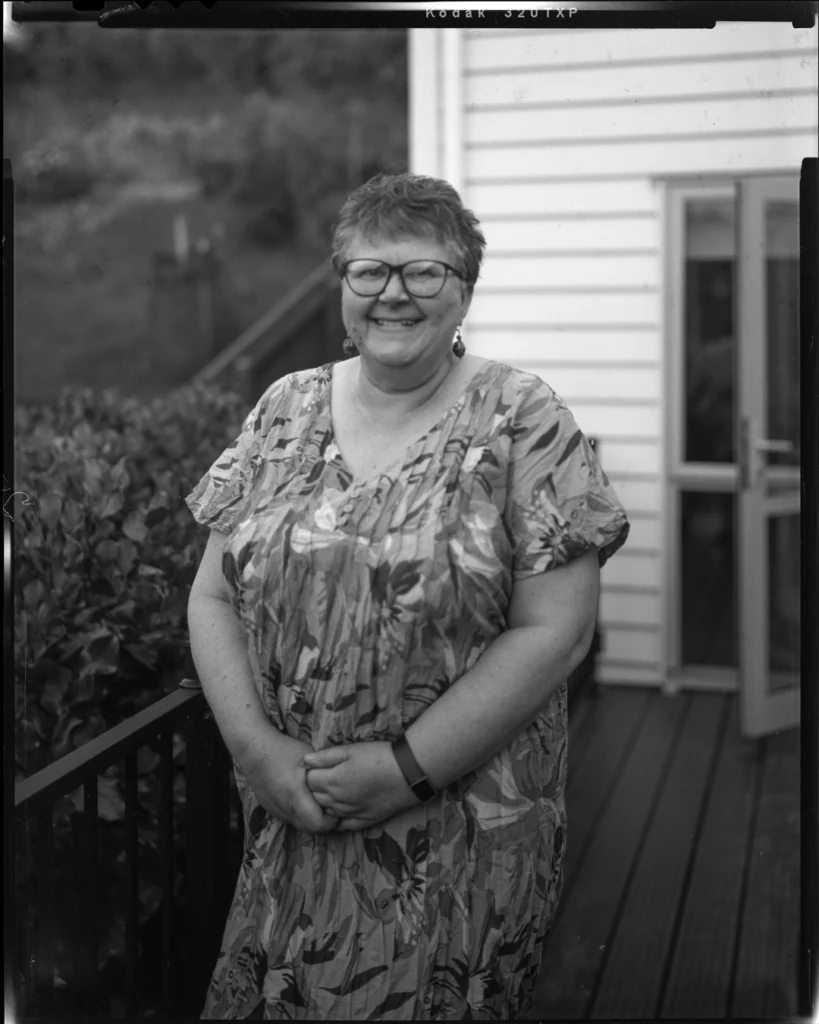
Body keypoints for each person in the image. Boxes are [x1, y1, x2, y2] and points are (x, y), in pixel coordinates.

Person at [185, 172, 629, 1021]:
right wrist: (256, 753)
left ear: (462, 292)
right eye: (369, 271)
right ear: (343, 285)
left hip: (456, 836)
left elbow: (555, 632)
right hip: (294, 817)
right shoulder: (284, 407)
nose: (394, 294)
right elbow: (211, 595)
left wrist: (403, 770)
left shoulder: (525, 418)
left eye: (424, 272)